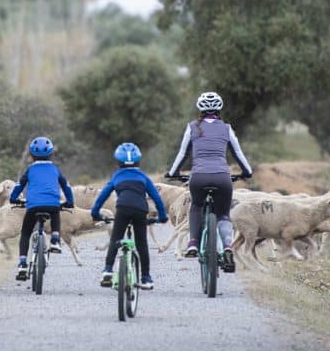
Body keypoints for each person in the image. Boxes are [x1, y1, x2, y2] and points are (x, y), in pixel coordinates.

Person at [165, 91, 252, 272]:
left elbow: (183, 153)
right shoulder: (227, 128)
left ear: (200, 109)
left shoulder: (192, 127)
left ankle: (193, 243)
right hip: (222, 177)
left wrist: (173, 172)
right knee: (223, 214)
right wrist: (247, 172)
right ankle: (227, 246)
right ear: (219, 109)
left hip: (199, 177)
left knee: (196, 206)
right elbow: (238, 153)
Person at [91, 142, 168, 290]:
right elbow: (157, 198)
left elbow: (103, 195)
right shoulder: (143, 177)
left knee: (116, 238)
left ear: (118, 162)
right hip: (140, 210)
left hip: (123, 209)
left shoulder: (117, 176)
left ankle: (107, 270)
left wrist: (95, 212)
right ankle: (145, 278)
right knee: (141, 244)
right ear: (138, 161)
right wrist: (162, 216)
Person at [9, 136, 74, 281]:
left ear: (31, 155)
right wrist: (70, 201)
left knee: (25, 233)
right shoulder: (55, 169)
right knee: (56, 211)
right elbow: (66, 186)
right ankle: (55, 240)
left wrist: (13, 198)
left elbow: (19, 186)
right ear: (51, 153)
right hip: (52, 204)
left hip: (33, 206)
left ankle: (22, 264)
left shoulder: (30, 170)